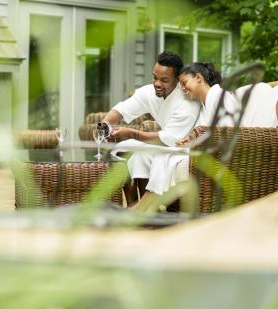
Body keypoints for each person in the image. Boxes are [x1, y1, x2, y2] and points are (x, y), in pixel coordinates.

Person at [101, 51, 201, 204]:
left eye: (164, 80)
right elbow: (121, 110)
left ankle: (146, 208)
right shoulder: (150, 92)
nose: (157, 83)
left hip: (183, 147)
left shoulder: (187, 103)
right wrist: (104, 125)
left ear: (178, 80)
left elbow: (169, 140)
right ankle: (132, 201)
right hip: (165, 144)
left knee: (141, 154)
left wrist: (132, 133)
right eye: (155, 77)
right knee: (120, 148)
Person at [143, 62, 241, 200]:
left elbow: (229, 131)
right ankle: (151, 204)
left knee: (163, 157)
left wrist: (195, 141)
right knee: (162, 156)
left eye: (184, 83)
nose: (183, 89)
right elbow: (208, 130)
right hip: (212, 150)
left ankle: (146, 205)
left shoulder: (218, 96)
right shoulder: (205, 102)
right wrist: (191, 139)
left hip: (229, 153)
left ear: (199, 78)